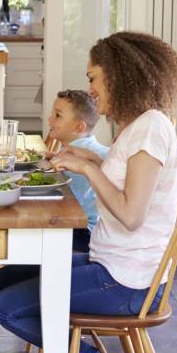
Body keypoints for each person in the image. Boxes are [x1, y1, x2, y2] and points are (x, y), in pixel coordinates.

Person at [0, 31, 177, 353]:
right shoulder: (139, 125)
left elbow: (132, 215)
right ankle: (77, 352)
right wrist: (91, 158)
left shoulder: (150, 128)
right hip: (113, 261)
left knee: (6, 307)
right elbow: (129, 176)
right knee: (7, 277)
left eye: (94, 78)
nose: (91, 89)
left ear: (119, 76)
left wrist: (89, 170)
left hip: (129, 281)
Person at [46, 89, 109, 252]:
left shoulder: (79, 157)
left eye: (57, 116)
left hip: (84, 233)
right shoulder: (90, 149)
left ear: (79, 126)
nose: (49, 119)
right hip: (93, 231)